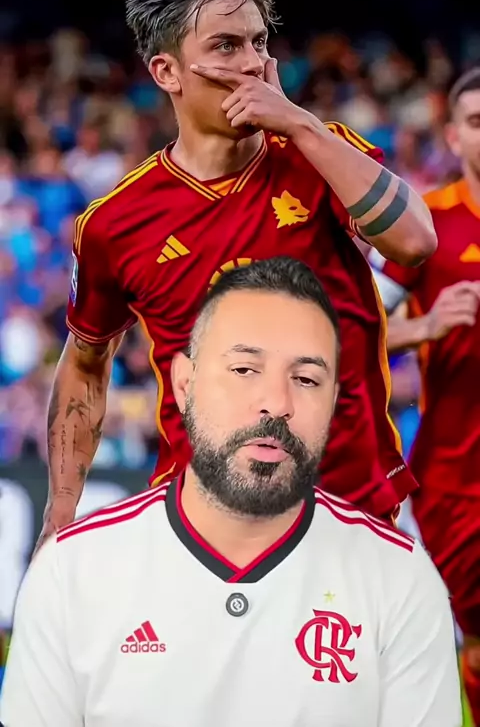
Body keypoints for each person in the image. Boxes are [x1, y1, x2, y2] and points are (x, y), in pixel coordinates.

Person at [39, 0, 437, 551]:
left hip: (348, 515)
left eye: (258, 43)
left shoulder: (319, 153)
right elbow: (85, 363)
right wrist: (60, 514)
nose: (251, 63)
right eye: (225, 46)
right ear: (167, 72)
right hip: (200, 526)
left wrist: (298, 122)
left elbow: (414, 240)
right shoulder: (114, 223)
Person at [0, 258, 461, 727]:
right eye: (244, 369)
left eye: (306, 379)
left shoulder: (400, 580)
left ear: (334, 402)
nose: (275, 403)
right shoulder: (72, 573)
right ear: (184, 385)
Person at [371, 67, 480, 725]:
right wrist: (428, 325)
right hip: (459, 476)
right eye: (477, 122)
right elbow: (355, 330)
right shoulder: (426, 224)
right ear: (453, 136)